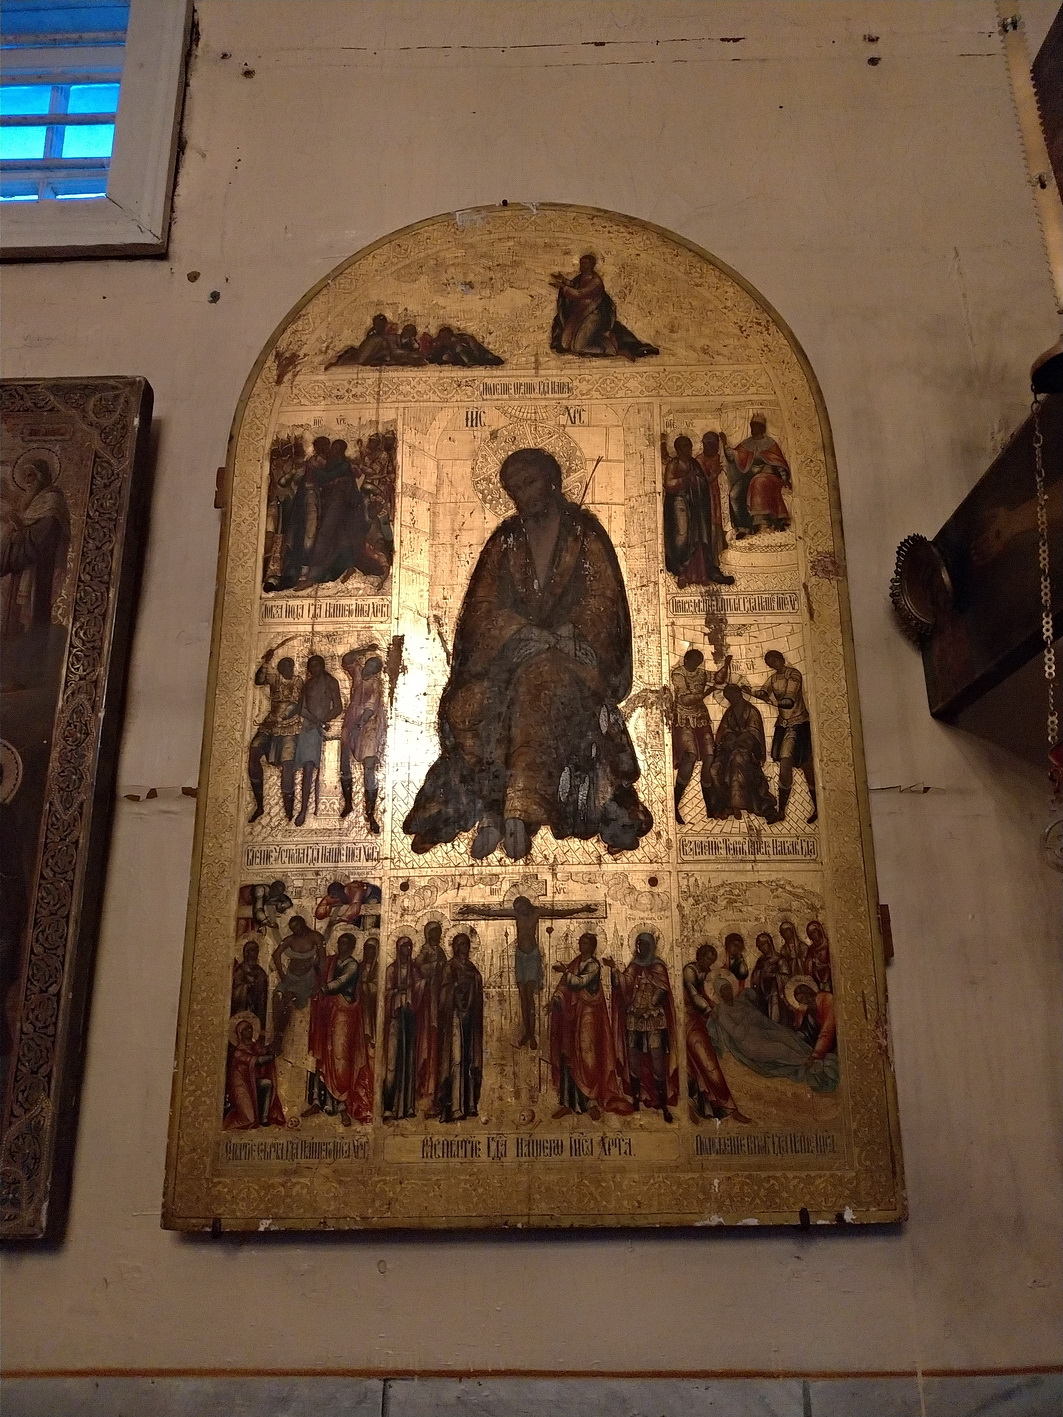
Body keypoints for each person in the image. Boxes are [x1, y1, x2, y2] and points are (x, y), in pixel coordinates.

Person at [404, 447, 652, 861]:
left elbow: (603, 599)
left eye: (529, 483)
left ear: (552, 481)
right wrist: (521, 630)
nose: (522, 495)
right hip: (512, 654)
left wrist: (568, 631)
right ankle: (490, 808)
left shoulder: (583, 535)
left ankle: (518, 814)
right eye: (514, 488)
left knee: (539, 685)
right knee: (466, 706)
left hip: (570, 660)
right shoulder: (506, 540)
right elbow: (481, 606)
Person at [455, 894, 596, 1049]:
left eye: (521, 907)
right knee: (523, 998)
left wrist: (583, 909)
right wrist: (471, 909)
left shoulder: (537, 912)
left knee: (530, 997)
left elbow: (559, 913)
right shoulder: (517, 914)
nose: (519, 910)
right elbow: (491, 913)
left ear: (526, 903)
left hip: (532, 957)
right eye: (517, 908)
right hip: (520, 957)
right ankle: (527, 1032)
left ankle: (532, 1034)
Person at [548, 932, 631, 1119]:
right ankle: (567, 1102)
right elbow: (563, 986)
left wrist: (565, 972)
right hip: (572, 1015)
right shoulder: (575, 962)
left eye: (585, 942)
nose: (581, 945)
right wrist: (556, 999)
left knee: (588, 1056)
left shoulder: (594, 965)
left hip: (589, 1015)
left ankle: (591, 1101)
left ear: (592, 946)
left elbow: (579, 983)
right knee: (568, 1054)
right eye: (580, 941)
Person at [708, 977, 839, 1092]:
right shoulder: (722, 1014)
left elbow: (759, 1018)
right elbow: (738, 1034)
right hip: (750, 1044)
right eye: (724, 990)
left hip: (761, 1031)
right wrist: (747, 1020)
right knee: (780, 1048)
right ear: (720, 993)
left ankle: (811, 1057)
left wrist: (775, 1027)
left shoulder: (740, 1003)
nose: (728, 992)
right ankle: (806, 1062)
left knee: (786, 1036)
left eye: (728, 988)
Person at [604, 931, 678, 1122]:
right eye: (638, 944)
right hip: (634, 1020)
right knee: (634, 1058)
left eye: (644, 944)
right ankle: (636, 1099)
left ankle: (663, 1104)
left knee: (657, 1061)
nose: (640, 948)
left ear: (651, 946)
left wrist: (648, 1005)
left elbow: (663, 989)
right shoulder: (634, 965)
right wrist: (614, 970)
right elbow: (624, 983)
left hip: (654, 1020)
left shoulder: (658, 966)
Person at [305, 934, 373, 1125]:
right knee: (323, 1053)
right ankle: (319, 1101)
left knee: (340, 1058)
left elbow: (341, 982)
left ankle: (342, 1104)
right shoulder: (331, 961)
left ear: (351, 946)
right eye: (340, 942)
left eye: (345, 943)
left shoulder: (352, 965)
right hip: (327, 1012)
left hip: (344, 1014)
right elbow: (317, 968)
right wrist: (317, 955)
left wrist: (324, 988)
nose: (341, 946)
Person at [0, 455, 69, 638]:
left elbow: (43, 536)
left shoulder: (52, 501)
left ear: (41, 475)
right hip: (22, 571)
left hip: (40, 571)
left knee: (33, 623)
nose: (27, 481)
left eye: (31, 475)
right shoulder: (32, 504)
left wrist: (18, 532)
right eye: (25, 477)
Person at [303, 440, 388, 587]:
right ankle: (343, 568)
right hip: (334, 506)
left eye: (337, 448)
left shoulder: (343, 464)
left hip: (341, 506)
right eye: (333, 448)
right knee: (339, 539)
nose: (333, 451)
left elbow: (327, 477)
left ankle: (313, 576)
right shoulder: (330, 463)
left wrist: (313, 470)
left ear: (341, 451)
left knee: (327, 536)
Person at [682, 945, 751, 1123]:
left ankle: (725, 1107)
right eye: (707, 959)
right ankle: (721, 1105)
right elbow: (694, 994)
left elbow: (713, 993)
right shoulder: (690, 970)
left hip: (704, 1019)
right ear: (699, 956)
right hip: (688, 1018)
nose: (709, 963)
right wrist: (708, 1010)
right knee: (705, 1059)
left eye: (712, 961)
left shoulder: (709, 974)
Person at [549, 253, 658, 360]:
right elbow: (575, 285)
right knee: (565, 344)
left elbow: (580, 294)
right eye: (581, 263)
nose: (582, 266)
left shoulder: (596, 281)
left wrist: (563, 287)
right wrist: (563, 280)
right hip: (579, 314)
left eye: (585, 263)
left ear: (592, 265)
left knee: (579, 347)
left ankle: (610, 348)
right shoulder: (581, 277)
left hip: (592, 316)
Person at [753, 651, 817, 824]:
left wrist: (770, 701)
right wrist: (755, 693)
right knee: (786, 763)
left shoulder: (794, 674)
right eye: (769, 662)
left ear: (781, 659)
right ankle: (781, 810)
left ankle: (817, 807)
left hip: (798, 724)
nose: (772, 664)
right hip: (784, 725)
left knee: (807, 766)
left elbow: (789, 701)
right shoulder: (774, 678)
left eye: (774, 660)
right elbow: (764, 690)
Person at [663, 436, 733, 587]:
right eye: (684, 446)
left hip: (695, 504)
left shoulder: (694, 463)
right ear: (678, 449)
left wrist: (711, 476)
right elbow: (668, 484)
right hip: (679, 504)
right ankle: (682, 572)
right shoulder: (673, 464)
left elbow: (703, 481)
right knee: (682, 537)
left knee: (699, 537)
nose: (688, 449)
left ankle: (703, 573)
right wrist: (685, 480)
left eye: (689, 446)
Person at [704, 684, 778, 821]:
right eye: (728, 697)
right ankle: (724, 804)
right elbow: (724, 730)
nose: (731, 699)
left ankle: (737, 805)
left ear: (739, 694)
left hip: (747, 751)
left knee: (737, 760)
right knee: (714, 769)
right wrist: (727, 738)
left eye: (732, 696)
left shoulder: (751, 711)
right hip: (728, 750)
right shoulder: (730, 712)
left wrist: (739, 740)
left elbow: (754, 732)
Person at [669, 649, 727, 824]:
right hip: (683, 719)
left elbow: (718, 678)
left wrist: (726, 666)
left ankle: (711, 806)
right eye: (694, 661)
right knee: (690, 756)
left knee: (709, 756)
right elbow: (685, 700)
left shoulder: (701, 673)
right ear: (686, 660)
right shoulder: (678, 674)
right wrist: (707, 692)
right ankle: (674, 805)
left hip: (701, 717)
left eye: (699, 661)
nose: (696, 664)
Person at [247, 648, 304, 822]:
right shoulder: (275, 679)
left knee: (287, 764)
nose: (289, 669)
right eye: (285, 666)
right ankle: (259, 805)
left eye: (291, 666)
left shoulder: (297, 681)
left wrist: (280, 718)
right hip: (271, 723)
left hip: (289, 726)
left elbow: (294, 704)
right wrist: (266, 662)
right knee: (254, 751)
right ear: (280, 669)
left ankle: (288, 811)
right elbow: (259, 680)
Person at [434, 933, 484, 1122]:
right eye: (461, 944)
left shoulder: (471, 968)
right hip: (454, 1016)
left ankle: (470, 1103)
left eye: (467, 944)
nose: (465, 948)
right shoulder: (450, 967)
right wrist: (455, 987)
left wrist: (473, 982)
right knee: (456, 1059)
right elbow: (443, 994)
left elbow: (478, 984)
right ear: (455, 947)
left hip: (470, 1018)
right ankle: (455, 1106)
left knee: (470, 1059)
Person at [293, 654, 343, 827]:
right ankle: (303, 810)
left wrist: (323, 720)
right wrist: (316, 721)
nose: (314, 669)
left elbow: (338, 707)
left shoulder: (331, 682)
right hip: (309, 728)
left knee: (327, 769)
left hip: (326, 728)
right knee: (307, 768)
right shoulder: (308, 684)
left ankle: (323, 808)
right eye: (311, 666)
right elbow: (301, 708)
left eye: (317, 665)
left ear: (322, 666)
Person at [339, 650, 386, 832]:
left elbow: (370, 708)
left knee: (369, 764)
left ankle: (370, 813)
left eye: (373, 667)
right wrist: (364, 649)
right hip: (351, 719)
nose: (368, 668)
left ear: (376, 672)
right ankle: (348, 803)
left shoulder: (375, 684)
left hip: (369, 724)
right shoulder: (358, 673)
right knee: (345, 761)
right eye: (368, 664)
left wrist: (359, 725)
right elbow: (346, 660)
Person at [721, 418, 791, 534]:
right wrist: (724, 443)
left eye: (756, 426)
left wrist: (784, 478)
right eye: (752, 426)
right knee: (734, 493)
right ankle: (743, 527)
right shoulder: (746, 444)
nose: (753, 429)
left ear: (762, 428)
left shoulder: (770, 443)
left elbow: (779, 463)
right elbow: (733, 456)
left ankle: (762, 521)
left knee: (758, 481)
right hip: (750, 474)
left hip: (769, 474)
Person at [269, 915, 325, 1054]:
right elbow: (276, 954)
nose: (295, 930)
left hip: (306, 978)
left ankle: (279, 1038)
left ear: (303, 924)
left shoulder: (315, 937)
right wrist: (281, 974)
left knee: (288, 997)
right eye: (292, 928)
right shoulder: (291, 939)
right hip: (290, 976)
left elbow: (322, 960)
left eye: (297, 927)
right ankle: (277, 1033)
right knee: (277, 996)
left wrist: (321, 981)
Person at [382, 936, 421, 1120]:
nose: (408, 950)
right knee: (392, 1063)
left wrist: (415, 989)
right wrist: (398, 991)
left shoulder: (414, 970)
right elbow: (386, 993)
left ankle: (408, 1106)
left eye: (410, 946)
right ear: (398, 949)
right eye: (405, 946)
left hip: (409, 1018)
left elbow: (420, 987)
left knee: (409, 1062)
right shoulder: (392, 969)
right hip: (395, 1019)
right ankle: (389, 1107)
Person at [223, 1014, 285, 1130]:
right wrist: (273, 1056)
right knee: (249, 1119)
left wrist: (277, 1038)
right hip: (241, 1087)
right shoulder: (238, 1052)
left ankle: (264, 1118)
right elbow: (258, 1061)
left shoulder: (255, 1046)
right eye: (246, 1030)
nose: (250, 1032)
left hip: (252, 1082)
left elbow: (265, 1050)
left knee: (267, 1083)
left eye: (250, 1029)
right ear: (240, 1033)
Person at [415, 921, 448, 1114]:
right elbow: (419, 969)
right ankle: (424, 1092)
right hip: (427, 1005)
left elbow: (446, 973)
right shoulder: (424, 951)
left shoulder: (441, 951)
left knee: (437, 1048)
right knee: (427, 1047)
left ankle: (434, 1093)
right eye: (433, 932)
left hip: (439, 1004)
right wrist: (436, 966)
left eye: (438, 932)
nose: (436, 935)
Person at [790, 979, 837, 1065]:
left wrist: (816, 1055)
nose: (805, 999)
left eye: (806, 992)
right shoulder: (810, 1010)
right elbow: (805, 1030)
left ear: (810, 990)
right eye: (801, 999)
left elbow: (827, 1030)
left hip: (835, 1042)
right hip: (822, 1045)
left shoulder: (826, 999)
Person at [749, 931, 791, 1025]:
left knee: (775, 1016)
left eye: (763, 945)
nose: (761, 948)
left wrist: (772, 975)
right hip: (762, 994)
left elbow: (786, 979)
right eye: (759, 946)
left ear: (770, 943)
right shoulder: (761, 961)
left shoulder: (780, 959)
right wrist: (758, 974)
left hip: (776, 995)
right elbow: (754, 977)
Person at [231, 939, 269, 1031]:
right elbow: (236, 988)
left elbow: (263, 986)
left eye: (257, 951)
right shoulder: (241, 970)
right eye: (253, 950)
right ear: (247, 953)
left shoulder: (259, 970)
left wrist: (259, 984)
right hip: (243, 1004)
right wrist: (246, 987)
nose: (255, 954)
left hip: (256, 1005)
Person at [424, 325, 504, 367]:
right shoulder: (442, 343)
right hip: (460, 357)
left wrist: (474, 352)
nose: (446, 339)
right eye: (443, 337)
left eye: (447, 337)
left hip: (476, 354)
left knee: (489, 358)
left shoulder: (461, 339)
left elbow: (474, 346)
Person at [803, 920, 833, 992]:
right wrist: (812, 963)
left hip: (829, 978)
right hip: (817, 979)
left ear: (820, 931)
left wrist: (825, 966)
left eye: (814, 932)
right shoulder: (811, 949)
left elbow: (835, 963)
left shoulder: (829, 946)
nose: (813, 935)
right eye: (810, 933)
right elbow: (808, 966)